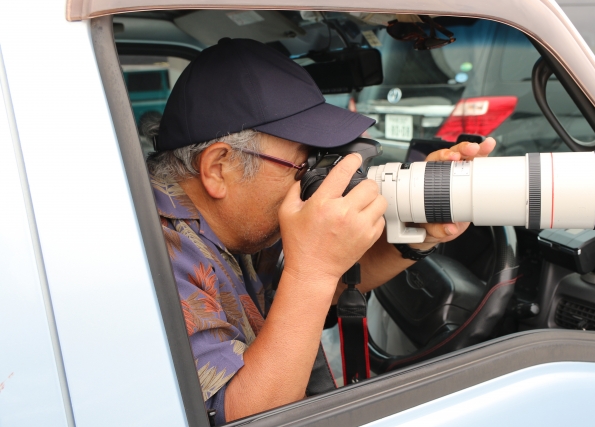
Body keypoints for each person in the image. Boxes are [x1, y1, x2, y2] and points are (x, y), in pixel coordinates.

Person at [145, 38, 495, 424]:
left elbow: (314, 299)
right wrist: (312, 270)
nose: (316, 176)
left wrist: (420, 229)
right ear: (218, 168)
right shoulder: (153, 257)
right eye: (305, 162)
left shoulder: (231, 224)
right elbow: (248, 417)